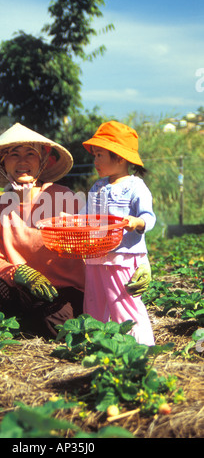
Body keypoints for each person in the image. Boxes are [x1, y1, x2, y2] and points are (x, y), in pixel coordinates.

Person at [0, 123, 86, 339]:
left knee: (49, 322)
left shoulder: (65, 199)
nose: (22, 161)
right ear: (1, 162)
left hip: (65, 292)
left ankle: (24, 323)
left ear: (42, 160)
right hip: (23, 290)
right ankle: (19, 322)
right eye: (14, 154)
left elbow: (92, 239)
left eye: (30, 153)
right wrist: (19, 272)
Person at [81, 120, 156, 345]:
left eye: (99, 155)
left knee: (123, 302)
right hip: (96, 256)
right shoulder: (97, 186)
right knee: (94, 302)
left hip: (122, 257)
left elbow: (149, 218)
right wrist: (72, 221)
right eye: (95, 155)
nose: (95, 161)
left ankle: (140, 345)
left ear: (120, 157)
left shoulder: (136, 187)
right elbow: (86, 217)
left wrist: (137, 222)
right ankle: (97, 343)